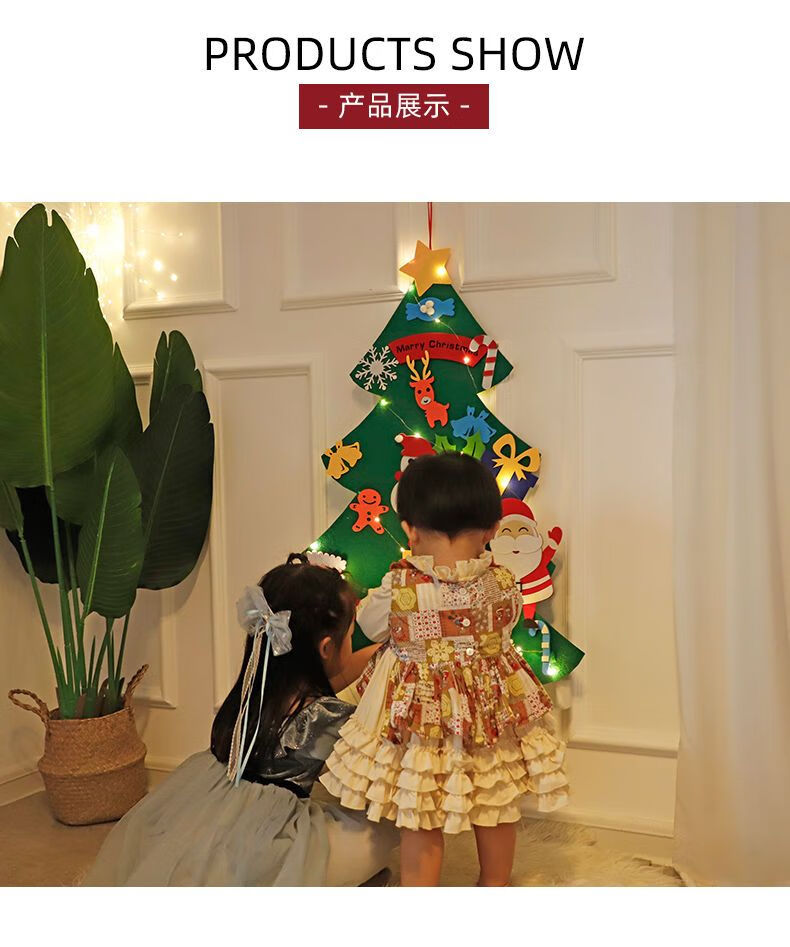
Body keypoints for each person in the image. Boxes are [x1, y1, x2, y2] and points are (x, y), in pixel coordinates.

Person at [320, 454, 568, 886]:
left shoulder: (399, 586)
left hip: (420, 719)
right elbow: (507, 623)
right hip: (488, 715)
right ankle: (495, 883)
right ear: (492, 529)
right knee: (495, 799)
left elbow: (371, 626)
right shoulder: (503, 581)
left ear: (410, 529)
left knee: (420, 810)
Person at [82, 553, 397, 886]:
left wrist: (385, 652)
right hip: (267, 840)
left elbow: (340, 669)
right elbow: (369, 779)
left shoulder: (256, 686)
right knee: (383, 830)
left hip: (213, 814)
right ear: (326, 648)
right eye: (349, 637)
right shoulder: (324, 717)